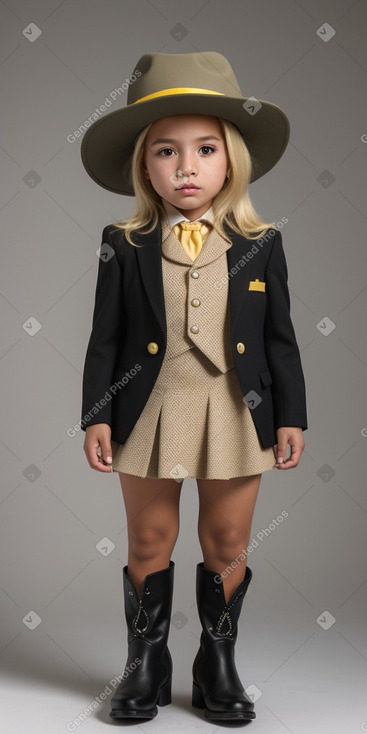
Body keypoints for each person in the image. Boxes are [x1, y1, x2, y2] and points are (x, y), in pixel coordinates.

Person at [79, 51, 308, 723]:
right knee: (149, 538)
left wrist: (290, 413)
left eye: (205, 149)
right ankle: (144, 665)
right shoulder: (123, 242)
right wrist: (96, 412)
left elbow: (279, 338)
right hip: (146, 404)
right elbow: (104, 338)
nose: (186, 167)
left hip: (238, 409)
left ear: (230, 159)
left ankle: (218, 664)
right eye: (165, 152)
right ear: (142, 164)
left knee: (227, 541)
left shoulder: (259, 241)